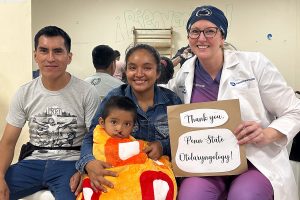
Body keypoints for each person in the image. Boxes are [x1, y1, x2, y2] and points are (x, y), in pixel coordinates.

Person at [167, 5, 300, 200]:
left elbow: (295, 110)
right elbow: (163, 100)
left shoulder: (254, 64)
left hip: (254, 159)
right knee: (191, 195)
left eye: (210, 31)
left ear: (222, 36)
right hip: (207, 163)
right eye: (194, 31)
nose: (201, 38)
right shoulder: (185, 73)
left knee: (245, 195)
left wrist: (266, 134)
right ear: (188, 37)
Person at [0, 26, 99, 200]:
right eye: (44, 51)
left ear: (69, 57)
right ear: (35, 55)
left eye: (58, 51)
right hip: (32, 162)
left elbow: (96, 139)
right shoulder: (24, 93)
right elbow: (7, 143)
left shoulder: (87, 92)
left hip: (71, 164)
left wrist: (85, 169)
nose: (50, 58)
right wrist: (0, 176)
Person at [76, 43, 182, 193]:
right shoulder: (114, 98)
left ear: (158, 72)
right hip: (123, 179)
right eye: (132, 68)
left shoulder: (172, 100)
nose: (139, 74)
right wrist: (88, 163)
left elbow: (182, 140)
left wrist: (162, 146)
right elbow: (91, 136)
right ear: (125, 71)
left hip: (159, 181)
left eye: (147, 68)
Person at [76, 96, 177, 200]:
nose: (119, 129)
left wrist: (161, 148)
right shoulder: (99, 138)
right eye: (114, 122)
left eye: (127, 124)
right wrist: (87, 163)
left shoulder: (172, 99)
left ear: (133, 127)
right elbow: (91, 142)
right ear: (102, 123)